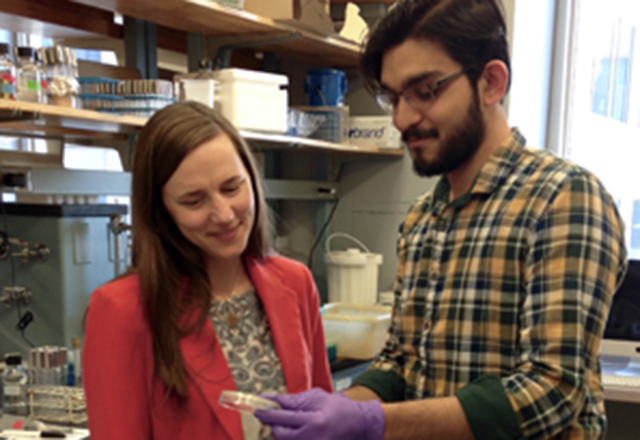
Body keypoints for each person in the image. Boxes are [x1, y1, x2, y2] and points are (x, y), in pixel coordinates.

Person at [253, 0, 628, 439]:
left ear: (491, 83)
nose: (402, 118)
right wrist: (335, 410)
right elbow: (401, 364)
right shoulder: (422, 221)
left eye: (425, 91)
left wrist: (374, 422)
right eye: (393, 97)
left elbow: (550, 392)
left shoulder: (564, 198)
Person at [83, 101, 332, 440]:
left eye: (232, 187)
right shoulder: (122, 309)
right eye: (194, 201)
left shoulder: (295, 282)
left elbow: (324, 421)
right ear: (161, 210)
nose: (225, 214)